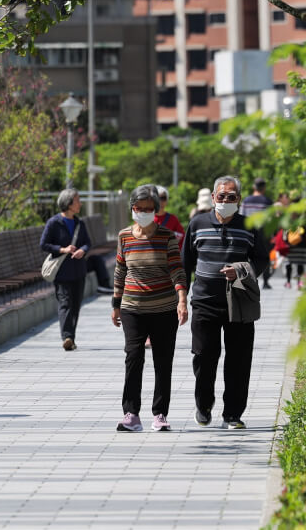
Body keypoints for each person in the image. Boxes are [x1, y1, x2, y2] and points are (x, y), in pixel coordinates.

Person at [181, 175, 269, 429]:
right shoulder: (197, 224)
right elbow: (185, 263)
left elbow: (262, 259)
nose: (226, 200)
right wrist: (181, 299)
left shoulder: (250, 226)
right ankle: (203, 404)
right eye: (222, 196)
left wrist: (241, 271)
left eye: (231, 197)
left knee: (239, 360)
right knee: (203, 356)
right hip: (204, 301)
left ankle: (232, 414)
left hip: (239, 301)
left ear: (239, 199)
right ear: (213, 197)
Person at [112, 184, 189, 432]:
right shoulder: (124, 236)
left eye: (148, 208)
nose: (143, 212)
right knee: (133, 357)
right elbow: (120, 270)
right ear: (132, 208)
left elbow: (177, 269)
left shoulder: (166, 236)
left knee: (163, 361)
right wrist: (115, 304)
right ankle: (131, 414)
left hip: (164, 308)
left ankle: (160, 414)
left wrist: (182, 300)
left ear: (155, 209)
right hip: (132, 307)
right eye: (139, 208)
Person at [40, 188, 92, 351]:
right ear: (69, 203)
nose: (80, 204)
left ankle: (71, 338)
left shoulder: (79, 223)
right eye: (77, 201)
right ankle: (67, 337)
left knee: (75, 305)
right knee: (65, 303)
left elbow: (88, 243)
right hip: (62, 273)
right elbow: (44, 244)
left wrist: (82, 250)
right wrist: (63, 249)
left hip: (78, 271)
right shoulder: (53, 223)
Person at [240, 177, 274, 289]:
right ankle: (266, 281)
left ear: (254, 187)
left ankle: (249, 279)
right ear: (264, 188)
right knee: (265, 256)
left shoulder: (246, 201)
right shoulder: (268, 202)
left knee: (248, 257)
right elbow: (271, 221)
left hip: (248, 234)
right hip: (264, 234)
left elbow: (241, 217)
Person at [154, 185, 185, 251]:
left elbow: (182, 238)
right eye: (158, 198)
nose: (160, 201)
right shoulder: (146, 218)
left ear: (167, 201)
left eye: (163, 198)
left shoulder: (173, 219)